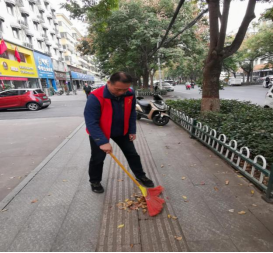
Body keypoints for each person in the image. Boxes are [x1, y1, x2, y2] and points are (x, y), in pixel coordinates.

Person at [84, 72, 155, 194]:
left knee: (132, 154)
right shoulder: (95, 97)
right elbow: (91, 122)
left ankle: (141, 175)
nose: (122, 92)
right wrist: (102, 142)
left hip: (121, 130)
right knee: (97, 159)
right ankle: (95, 181)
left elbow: (132, 113)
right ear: (109, 83)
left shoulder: (130, 93)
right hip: (101, 132)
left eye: (125, 89)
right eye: (118, 89)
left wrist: (132, 130)